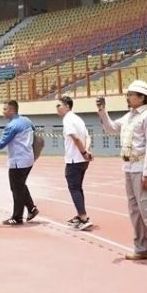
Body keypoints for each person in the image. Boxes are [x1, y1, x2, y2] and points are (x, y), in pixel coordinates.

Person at [96, 80, 147, 266]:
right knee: (134, 210)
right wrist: (102, 111)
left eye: (131, 94)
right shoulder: (129, 117)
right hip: (129, 168)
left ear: (141, 97)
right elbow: (111, 128)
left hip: (141, 169)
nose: (128, 97)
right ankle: (143, 248)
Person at [0, 100, 39, 225]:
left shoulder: (12, 126)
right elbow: (34, 131)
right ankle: (31, 208)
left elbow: (1, 144)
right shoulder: (26, 120)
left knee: (16, 188)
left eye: (5, 109)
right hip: (28, 158)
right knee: (20, 185)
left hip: (18, 161)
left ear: (12, 110)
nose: (2, 112)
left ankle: (17, 217)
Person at [57, 95, 93, 230]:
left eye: (58, 105)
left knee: (74, 188)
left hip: (74, 160)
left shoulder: (68, 120)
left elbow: (76, 138)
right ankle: (80, 214)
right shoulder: (78, 119)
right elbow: (87, 137)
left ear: (67, 106)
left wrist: (84, 152)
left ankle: (83, 218)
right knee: (78, 187)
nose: (57, 108)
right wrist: (87, 152)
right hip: (82, 160)